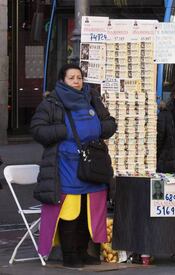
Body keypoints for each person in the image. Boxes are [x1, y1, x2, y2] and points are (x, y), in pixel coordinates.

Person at [31, 64, 117, 268]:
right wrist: (64, 130)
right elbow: (37, 129)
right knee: (70, 211)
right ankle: (69, 255)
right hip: (66, 165)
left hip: (92, 164)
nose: (77, 81)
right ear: (63, 81)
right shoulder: (52, 102)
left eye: (79, 77)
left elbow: (110, 123)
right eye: (72, 78)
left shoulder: (92, 98)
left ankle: (82, 251)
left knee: (90, 209)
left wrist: (98, 128)